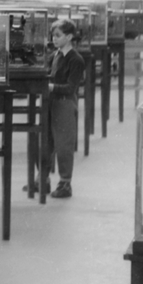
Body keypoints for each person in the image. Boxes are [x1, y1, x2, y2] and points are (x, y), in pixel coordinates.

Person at [41, 20, 85, 199]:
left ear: (69, 37)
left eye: (58, 35)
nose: (54, 39)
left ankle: (65, 183)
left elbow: (71, 87)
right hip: (50, 102)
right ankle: (42, 179)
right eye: (53, 35)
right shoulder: (54, 55)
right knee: (45, 142)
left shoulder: (76, 60)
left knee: (63, 145)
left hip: (65, 104)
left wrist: (51, 87)